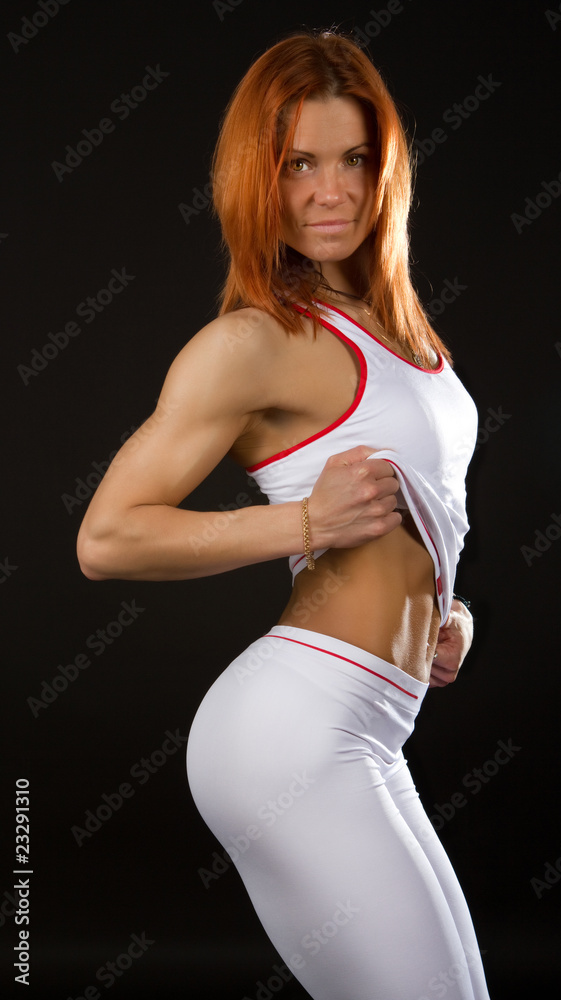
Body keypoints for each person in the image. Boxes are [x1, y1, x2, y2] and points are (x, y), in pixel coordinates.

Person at [77, 29, 491, 1000]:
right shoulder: (254, 342)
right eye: (298, 164)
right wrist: (307, 523)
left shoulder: (402, 328)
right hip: (292, 731)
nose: (330, 192)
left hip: (369, 724)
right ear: (256, 179)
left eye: (354, 159)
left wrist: (445, 613)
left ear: (387, 169)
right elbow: (107, 537)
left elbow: (424, 506)